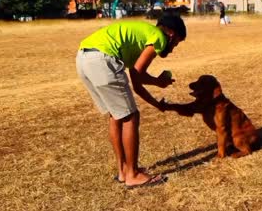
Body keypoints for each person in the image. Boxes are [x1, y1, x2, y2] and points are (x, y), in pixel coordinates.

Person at [76, 15, 187, 189]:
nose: (172, 49)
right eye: (176, 43)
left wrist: (157, 104)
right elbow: (138, 73)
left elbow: (137, 83)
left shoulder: (141, 38)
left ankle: (123, 170)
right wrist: (158, 82)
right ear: (171, 34)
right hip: (103, 59)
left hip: (84, 58)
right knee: (130, 117)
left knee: (117, 115)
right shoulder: (159, 36)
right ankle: (133, 175)